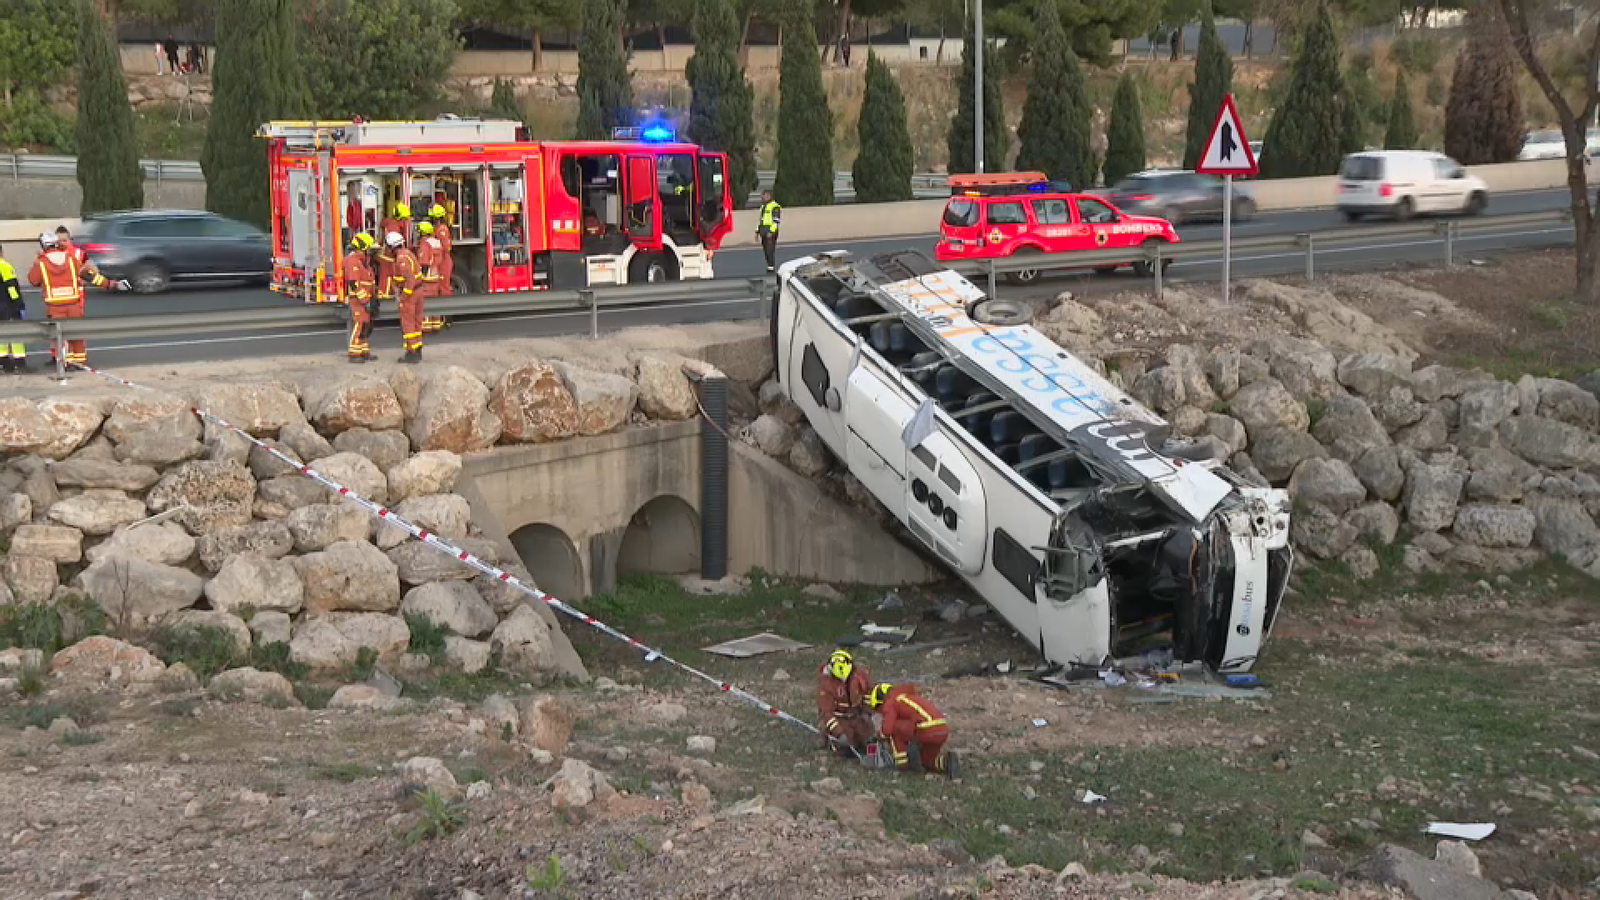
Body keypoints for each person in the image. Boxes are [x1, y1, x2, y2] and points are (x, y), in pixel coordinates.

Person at [26, 232, 130, 371]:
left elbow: (33, 280)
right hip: (73, 303)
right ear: (56, 244)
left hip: (55, 306)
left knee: (60, 336)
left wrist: (35, 263)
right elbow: (88, 275)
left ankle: (66, 363)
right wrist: (110, 284)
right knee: (76, 334)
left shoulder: (41, 263)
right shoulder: (70, 259)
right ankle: (80, 362)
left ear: (43, 245)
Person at [866, 682, 958, 777]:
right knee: (926, 760)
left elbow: (887, 730)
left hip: (926, 729)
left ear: (880, 701)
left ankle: (902, 765)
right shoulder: (907, 698)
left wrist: (878, 736)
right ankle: (947, 762)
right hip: (942, 730)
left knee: (894, 728)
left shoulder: (891, 702)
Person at [816, 649, 874, 756]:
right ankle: (827, 737)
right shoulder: (826, 685)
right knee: (846, 746)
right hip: (840, 718)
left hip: (857, 715)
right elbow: (826, 713)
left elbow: (869, 691)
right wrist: (839, 733)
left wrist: (868, 711)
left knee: (870, 739)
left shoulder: (860, 675)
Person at [385, 231, 424, 363]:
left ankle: (411, 353)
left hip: (411, 294)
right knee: (417, 322)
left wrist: (404, 297)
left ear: (392, 246)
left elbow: (409, 279)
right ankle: (418, 349)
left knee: (408, 324)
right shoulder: (408, 254)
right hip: (418, 292)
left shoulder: (401, 259)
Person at [342, 233, 377, 363]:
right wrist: (365, 301)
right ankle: (354, 354)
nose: (370, 251)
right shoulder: (353, 261)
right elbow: (354, 283)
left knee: (366, 326)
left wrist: (373, 299)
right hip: (358, 300)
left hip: (365, 299)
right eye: (368, 248)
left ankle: (364, 351)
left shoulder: (363, 261)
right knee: (359, 325)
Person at [421, 204, 452, 333]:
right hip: (439, 262)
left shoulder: (442, 230)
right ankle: (439, 317)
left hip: (444, 262)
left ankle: (448, 317)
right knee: (437, 289)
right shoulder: (437, 228)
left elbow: (446, 248)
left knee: (444, 289)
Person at [0, 253, 25, 373]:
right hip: (7, 306)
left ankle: (4, 362)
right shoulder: (4, 266)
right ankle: (19, 363)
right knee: (16, 332)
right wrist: (18, 304)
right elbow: (11, 288)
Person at [757, 190, 781, 274]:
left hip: (771, 231)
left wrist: (771, 232)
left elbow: (776, 221)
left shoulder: (775, 206)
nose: (762, 198)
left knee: (769, 249)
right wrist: (757, 231)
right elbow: (761, 220)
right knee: (765, 249)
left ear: (769, 196)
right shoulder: (763, 206)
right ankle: (769, 265)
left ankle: (771, 267)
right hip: (763, 230)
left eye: (763, 196)